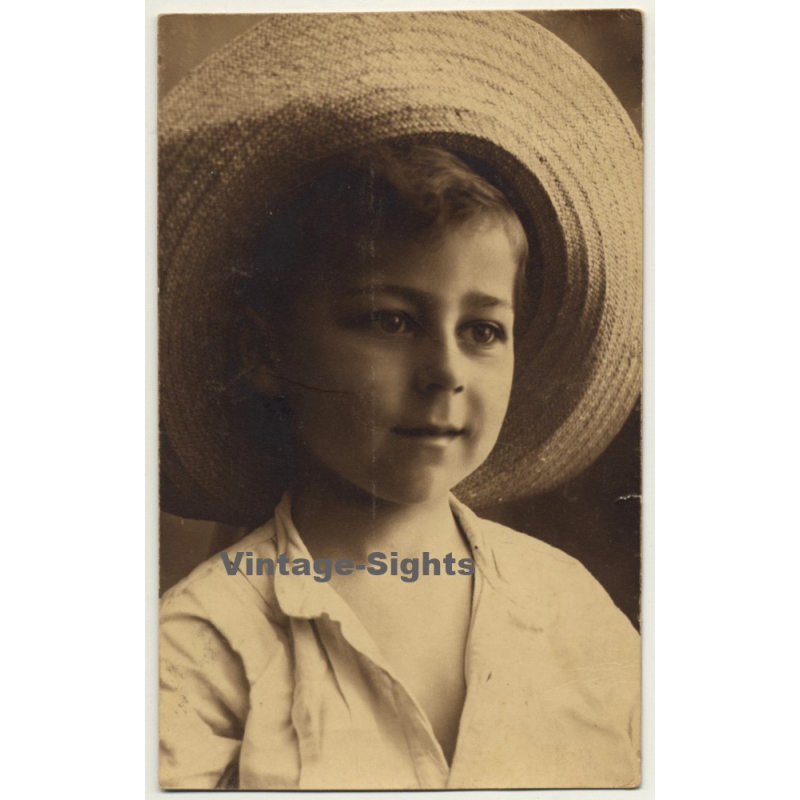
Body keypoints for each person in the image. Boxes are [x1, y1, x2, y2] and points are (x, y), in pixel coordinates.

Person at [158, 12, 642, 791]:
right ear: (265, 352)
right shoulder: (204, 643)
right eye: (391, 320)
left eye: (483, 329)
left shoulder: (572, 610)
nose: (445, 370)